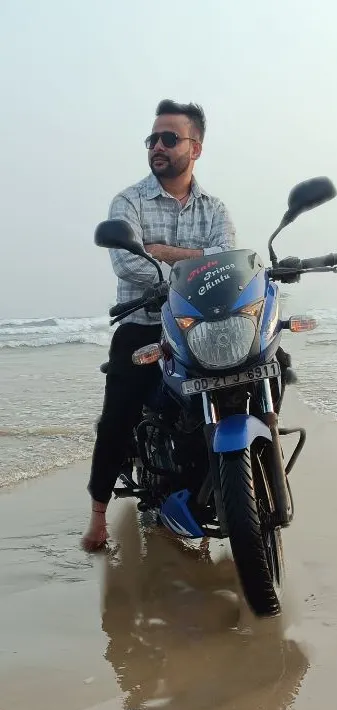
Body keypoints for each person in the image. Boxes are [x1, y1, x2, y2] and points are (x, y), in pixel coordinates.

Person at [81, 99, 237, 551]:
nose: (158, 146)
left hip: (200, 325)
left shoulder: (215, 208)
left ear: (196, 148)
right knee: (119, 412)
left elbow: (226, 262)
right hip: (144, 323)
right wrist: (196, 262)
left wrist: (165, 252)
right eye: (153, 138)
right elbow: (129, 266)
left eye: (170, 138)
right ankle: (97, 517)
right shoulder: (128, 201)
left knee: (269, 364)